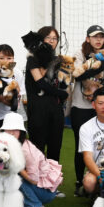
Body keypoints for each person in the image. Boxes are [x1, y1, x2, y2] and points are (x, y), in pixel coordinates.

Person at [70, 25, 104, 194]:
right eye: (95, 36)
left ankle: (100, 178)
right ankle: (79, 181)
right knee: (81, 146)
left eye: (101, 37)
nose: (98, 40)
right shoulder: (79, 53)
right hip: (80, 106)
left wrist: (100, 96)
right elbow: (78, 75)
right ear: (88, 38)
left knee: (102, 143)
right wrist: (100, 65)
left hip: (99, 107)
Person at [0, 113, 61, 207]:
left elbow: (34, 179)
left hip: (45, 190)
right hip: (35, 185)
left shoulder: (27, 150)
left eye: (15, 129)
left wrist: (17, 167)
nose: (11, 133)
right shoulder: (5, 146)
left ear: (21, 132)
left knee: (15, 177)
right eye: (8, 129)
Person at [25, 26, 68, 162]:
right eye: (48, 37)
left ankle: (53, 174)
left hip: (56, 109)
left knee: (55, 146)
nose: (51, 41)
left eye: (55, 38)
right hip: (38, 109)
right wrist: (61, 94)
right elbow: (40, 83)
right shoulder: (32, 59)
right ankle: (36, 175)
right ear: (41, 39)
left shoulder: (58, 60)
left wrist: (65, 81)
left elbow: (63, 83)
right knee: (37, 148)